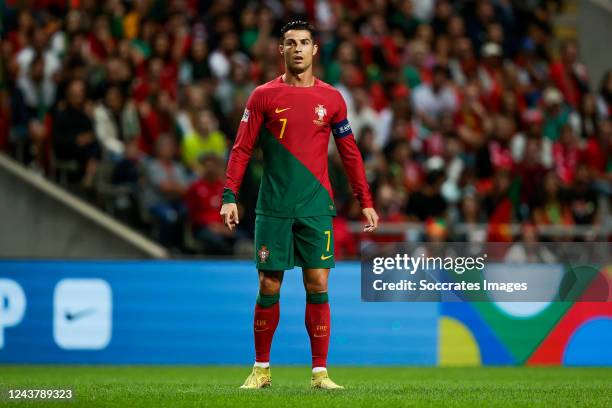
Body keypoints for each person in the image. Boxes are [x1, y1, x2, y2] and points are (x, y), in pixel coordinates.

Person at [220, 21, 379, 390]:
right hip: (273, 206)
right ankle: (261, 369)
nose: (297, 49)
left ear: (314, 50)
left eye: (304, 43)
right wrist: (229, 196)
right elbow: (242, 148)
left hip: (315, 206)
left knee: (317, 281)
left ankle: (320, 373)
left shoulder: (333, 99)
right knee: (269, 284)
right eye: (290, 43)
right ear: (280, 50)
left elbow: (350, 152)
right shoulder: (262, 95)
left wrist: (365, 200)